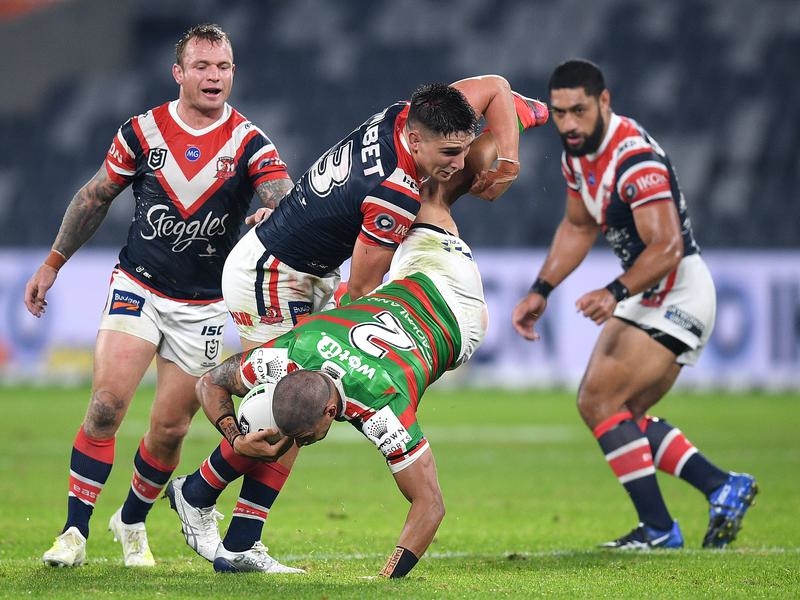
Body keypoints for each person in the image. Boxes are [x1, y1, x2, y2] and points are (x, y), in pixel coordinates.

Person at [160, 78, 547, 572]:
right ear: (416, 140)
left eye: (464, 149)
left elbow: (493, 87)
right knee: (295, 403)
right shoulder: (395, 193)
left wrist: (508, 158)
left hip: (294, 263)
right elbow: (361, 291)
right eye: (450, 152)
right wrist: (351, 353)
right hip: (276, 276)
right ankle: (213, 511)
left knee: (301, 396)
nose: (457, 161)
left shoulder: (408, 114)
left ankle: (219, 517)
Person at [25, 24, 295, 568]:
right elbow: (95, 196)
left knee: (170, 430)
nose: (214, 76)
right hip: (139, 286)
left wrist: (277, 213)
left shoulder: (249, 142)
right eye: (202, 66)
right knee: (106, 406)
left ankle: (131, 521)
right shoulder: (143, 132)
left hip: (205, 305)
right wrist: (53, 263)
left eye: (223, 67)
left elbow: (283, 196)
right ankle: (74, 532)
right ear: (179, 73)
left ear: (233, 73)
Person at [511, 59, 757, 550]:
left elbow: (667, 247)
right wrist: (542, 288)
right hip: (652, 291)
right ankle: (719, 487)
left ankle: (662, 528)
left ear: (604, 101)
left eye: (578, 110)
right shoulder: (578, 156)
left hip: (678, 289)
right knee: (617, 412)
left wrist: (615, 292)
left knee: (599, 400)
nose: (568, 124)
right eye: (559, 113)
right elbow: (578, 226)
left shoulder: (634, 159)